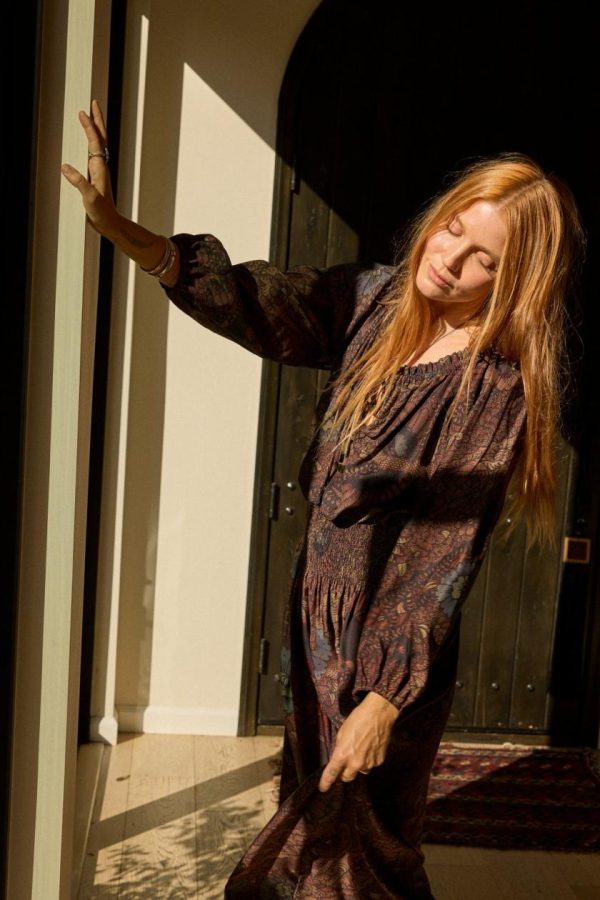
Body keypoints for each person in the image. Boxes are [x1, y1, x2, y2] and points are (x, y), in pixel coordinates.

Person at [62, 100, 585, 898]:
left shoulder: (493, 389)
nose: (449, 259)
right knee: (321, 830)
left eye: (482, 258)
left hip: (387, 630)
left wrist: (383, 697)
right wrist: (122, 230)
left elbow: (439, 559)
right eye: (452, 230)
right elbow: (253, 300)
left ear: (513, 281)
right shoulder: (374, 302)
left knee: (362, 848)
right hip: (317, 607)